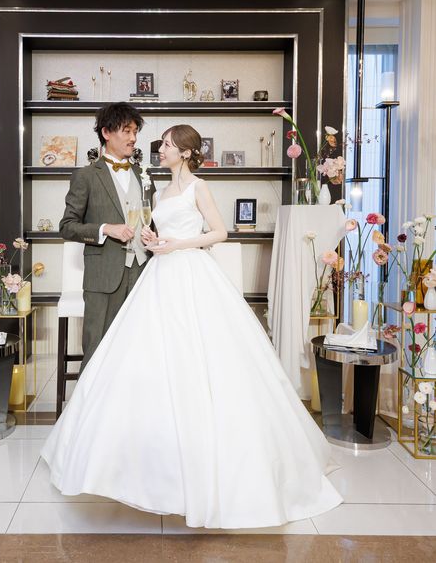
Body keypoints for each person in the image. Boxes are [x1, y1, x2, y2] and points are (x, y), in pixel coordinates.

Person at [42, 124, 342, 529]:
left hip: (191, 273)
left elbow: (219, 232)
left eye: (166, 144)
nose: (160, 148)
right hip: (159, 273)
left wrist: (177, 245)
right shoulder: (159, 190)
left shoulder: (198, 186)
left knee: (202, 359)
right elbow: (160, 232)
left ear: (184, 152)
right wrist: (153, 239)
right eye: (162, 143)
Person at [59, 102, 153, 368]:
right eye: (127, 131)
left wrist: (153, 236)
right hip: (103, 276)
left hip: (143, 271)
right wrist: (105, 229)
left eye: (135, 131)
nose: (133, 138)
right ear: (106, 133)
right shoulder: (86, 176)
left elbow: (151, 220)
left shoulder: (143, 175)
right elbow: (67, 226)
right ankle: (90, 396)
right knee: (98, 349)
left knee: (139, 348)